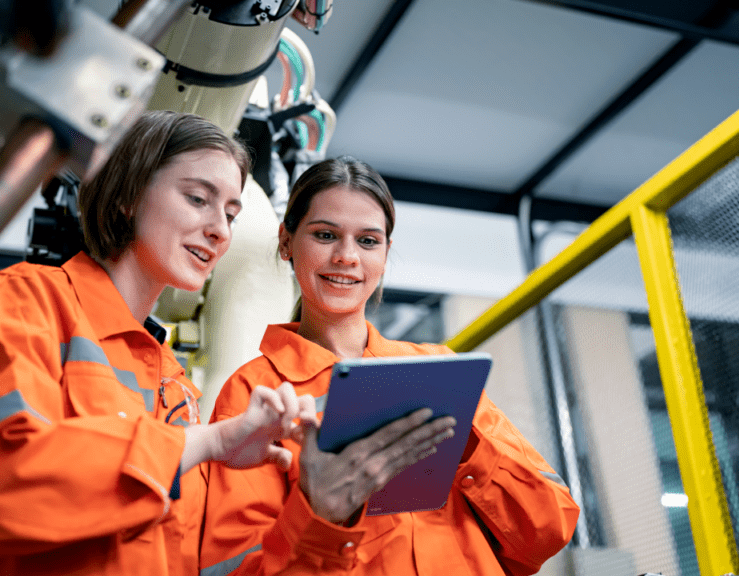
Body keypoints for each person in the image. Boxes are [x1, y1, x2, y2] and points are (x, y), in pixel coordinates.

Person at [0, 111, 315, 576]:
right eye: (198, 198)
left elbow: (188, 555)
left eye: (231, 214)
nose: (220, 230)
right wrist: (209, 440)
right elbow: (0, 486)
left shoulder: (172, 384)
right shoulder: (30, 301)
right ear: (128, 197)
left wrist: (325, 499)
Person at [200, 157, 580, 576]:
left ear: (385, 254)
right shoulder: (255, 392)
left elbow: (548, 532)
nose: (346, 256)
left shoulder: (440, 369)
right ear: (287, 242)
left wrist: (469, 446)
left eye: (367, 241)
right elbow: (231, 568)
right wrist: (321, 513)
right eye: (326, 235)